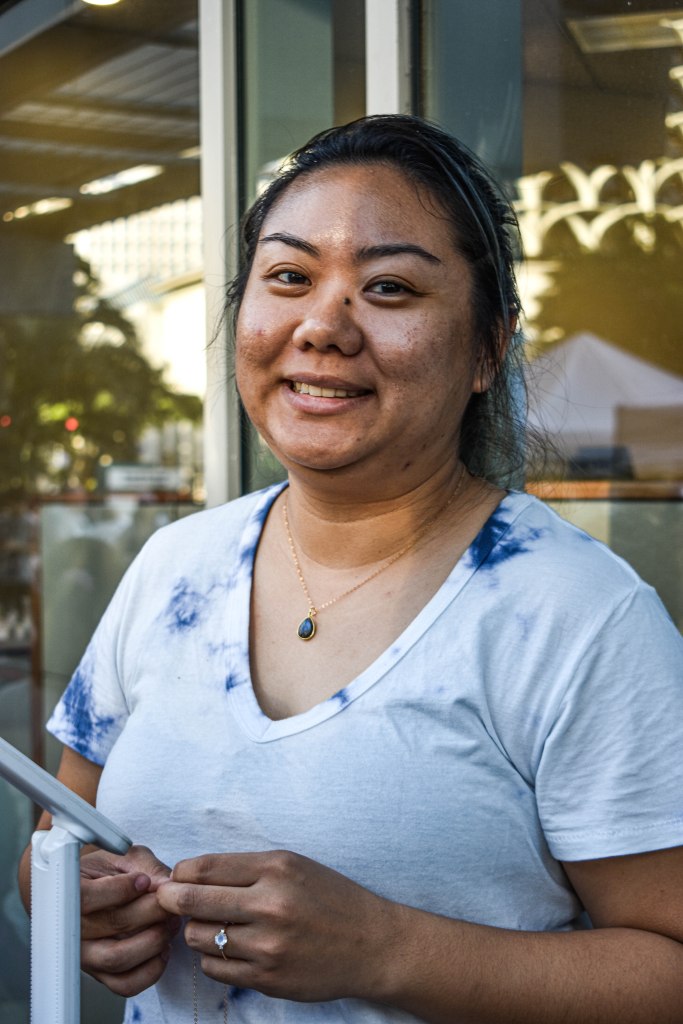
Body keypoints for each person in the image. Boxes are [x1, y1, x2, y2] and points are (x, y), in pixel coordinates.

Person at [19, 115, 683, 1024]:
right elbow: (59, 835)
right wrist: (81, 906)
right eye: (289, 277)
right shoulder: (177, 565)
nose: (322, 326)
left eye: (389, 288)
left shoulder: (575, 615)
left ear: (488, 348)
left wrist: (385, 949)